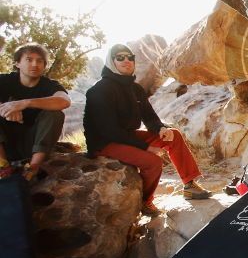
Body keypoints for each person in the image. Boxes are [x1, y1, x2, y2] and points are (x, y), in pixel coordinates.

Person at [84, 44, 211, 215]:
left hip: (126, 136)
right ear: (111, 62)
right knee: (153, 162)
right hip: (104, 142)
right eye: (120, 57)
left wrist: (160, 129)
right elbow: (108, 130)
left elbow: (149, 117)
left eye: (130, 57)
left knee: (173, 136)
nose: (126, 61)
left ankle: (189, 185)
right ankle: (144, 201)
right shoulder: (99, 90)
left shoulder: (135, 89)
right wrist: (145, 147)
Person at [0, 42, 70, 181]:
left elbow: (64, 101)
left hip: (32, 145)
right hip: (5, 144)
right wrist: (5, 108)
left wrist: (24, 103)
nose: (34, 64)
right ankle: (2, 167)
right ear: (17, 63)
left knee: (55, 114)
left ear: (44, 66)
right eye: (29, 59)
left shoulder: (50, 85)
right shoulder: (4, 81)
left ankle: (33, 168)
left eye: (40, 61)